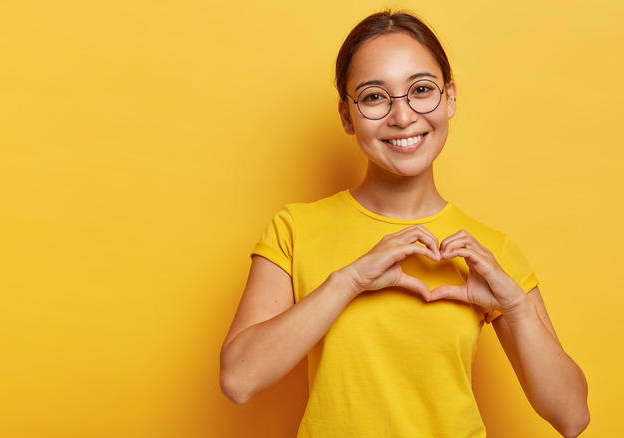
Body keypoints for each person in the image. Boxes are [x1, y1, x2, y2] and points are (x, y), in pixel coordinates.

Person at [219, 9, 589, 438]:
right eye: (375, 97)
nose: (403, 117)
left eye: (421, 90)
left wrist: (518, 309)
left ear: (449, 98)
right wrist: (350, 280)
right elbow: (238, 380)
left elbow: (572, 417)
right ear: (346, 115)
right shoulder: (295, 229)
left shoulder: (491, 251)